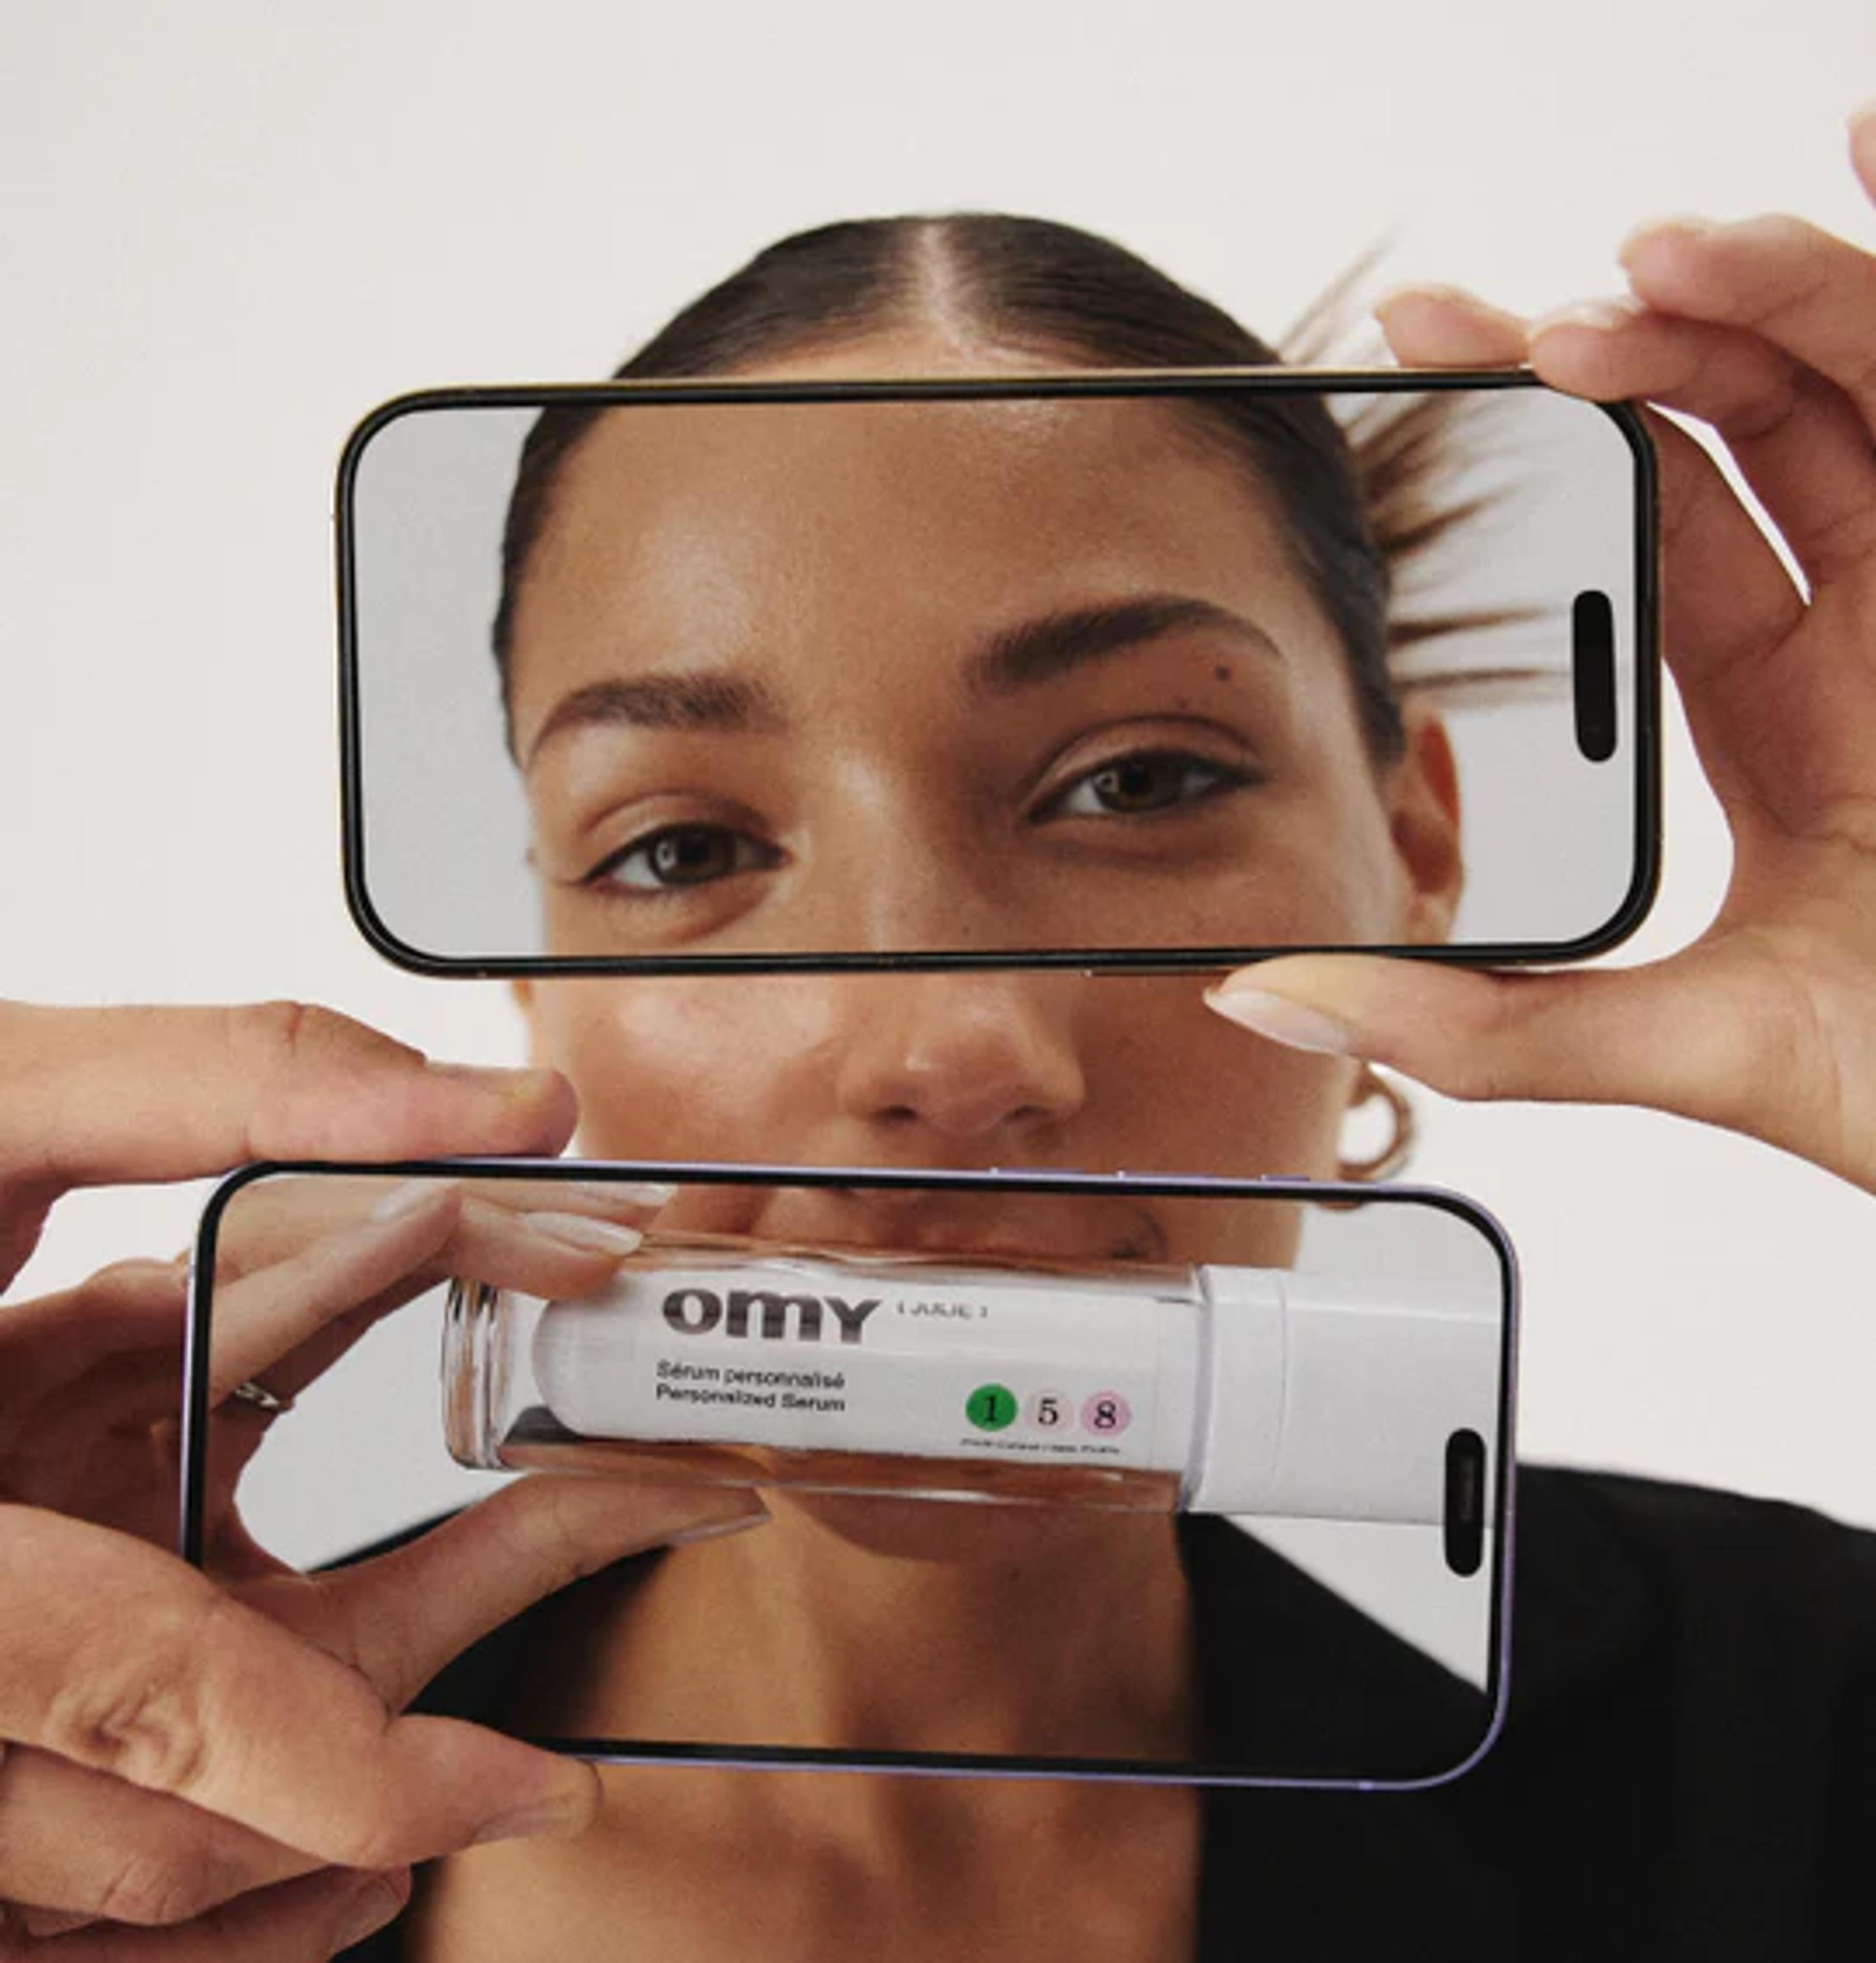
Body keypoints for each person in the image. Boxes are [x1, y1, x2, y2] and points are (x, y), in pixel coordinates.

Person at [2, 102, 1874, 1959]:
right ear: (538, 972)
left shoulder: (1805, 1723)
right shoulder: (145, 1834)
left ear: (1415, 854)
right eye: (685, 846)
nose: (945, 1048)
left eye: (1138, 780)